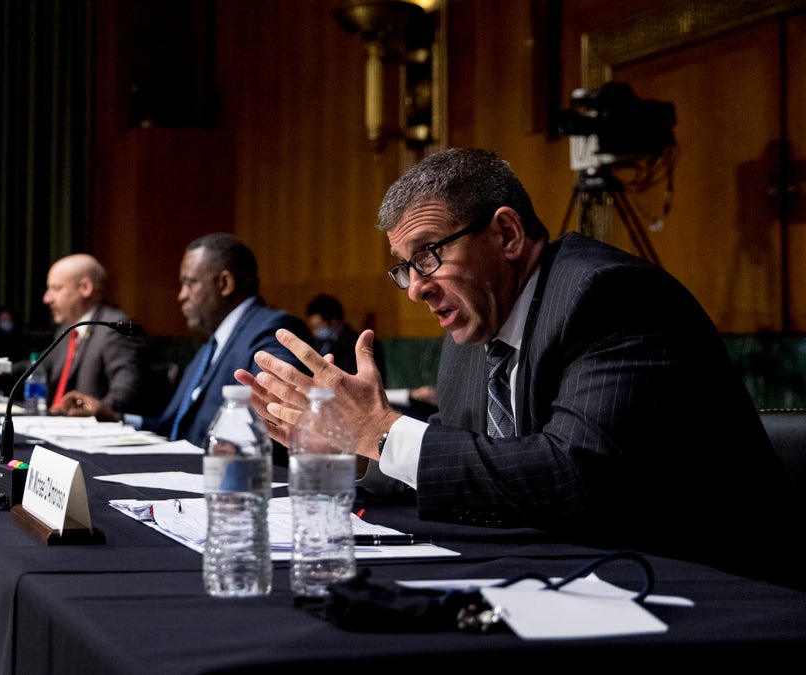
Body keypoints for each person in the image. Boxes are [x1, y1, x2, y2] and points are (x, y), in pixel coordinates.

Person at [237, 147, 802, 590]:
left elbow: (573, 473)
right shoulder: (476, 319)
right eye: (404, 268)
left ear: (506, 234)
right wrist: (356, 454)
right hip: (573, 577)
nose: (415, 289)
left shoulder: (608, 295)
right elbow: (471, 459)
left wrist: (380, 430)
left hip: (714, 586)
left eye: (428, 255)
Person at [54, 233, 314, 450]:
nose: (181, 296)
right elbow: (173, 429)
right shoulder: (209, 347)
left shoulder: (273, 331)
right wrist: (114, 416)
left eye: (189, 284)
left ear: (224, 283)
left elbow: (272, 428)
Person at [36, 253, 144, 414]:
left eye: (56, 288)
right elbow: (36, 368)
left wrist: (95, 412)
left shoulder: (113, 329)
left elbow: (125, 393)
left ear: (85, 288)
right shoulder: (66, 331)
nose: (47, 298)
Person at [305, 292, 437, 415]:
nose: (317, 331)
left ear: (333, 321)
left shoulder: (357, 343)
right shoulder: (319, 343)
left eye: (319, 326)